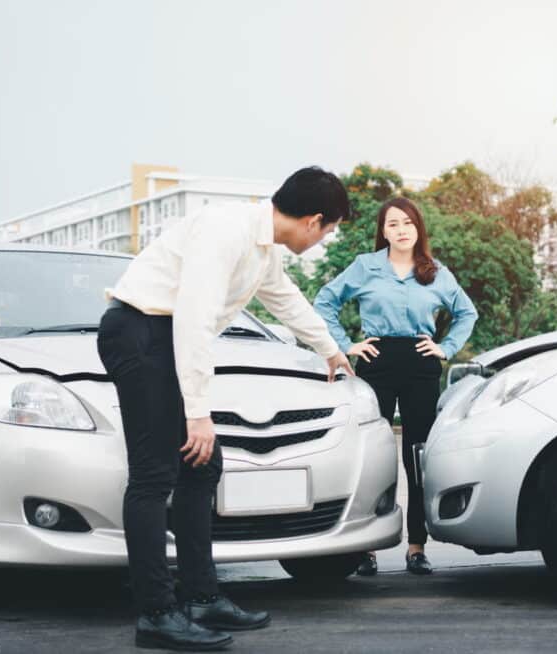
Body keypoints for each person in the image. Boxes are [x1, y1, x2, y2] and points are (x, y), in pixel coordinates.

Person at [98, 166, 354, 651]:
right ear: (313, 220)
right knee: (154, 476)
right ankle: (156, 613)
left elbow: (286, 300)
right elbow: (192, 320)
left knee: (201, 466)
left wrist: (329, 349)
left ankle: (201, 597)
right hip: (139, 333)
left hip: (159, 336)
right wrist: (198, 413)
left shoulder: (260, 248)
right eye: (331, 229)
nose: (326, 239)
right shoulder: (226, 230)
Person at [314, 196, 478, 576]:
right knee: (373, 456)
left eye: (407, 222)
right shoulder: (365, 267)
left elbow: (466, 313)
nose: (401, 230)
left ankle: (417, 547)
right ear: (382, 231)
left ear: (417, 227)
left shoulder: (436, 272)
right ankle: (366, 548)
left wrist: (446, 347)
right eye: (392, 224)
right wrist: (344, 345)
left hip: (421, 364)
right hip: (377, 361)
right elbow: (325, 301)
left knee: (416, 456)